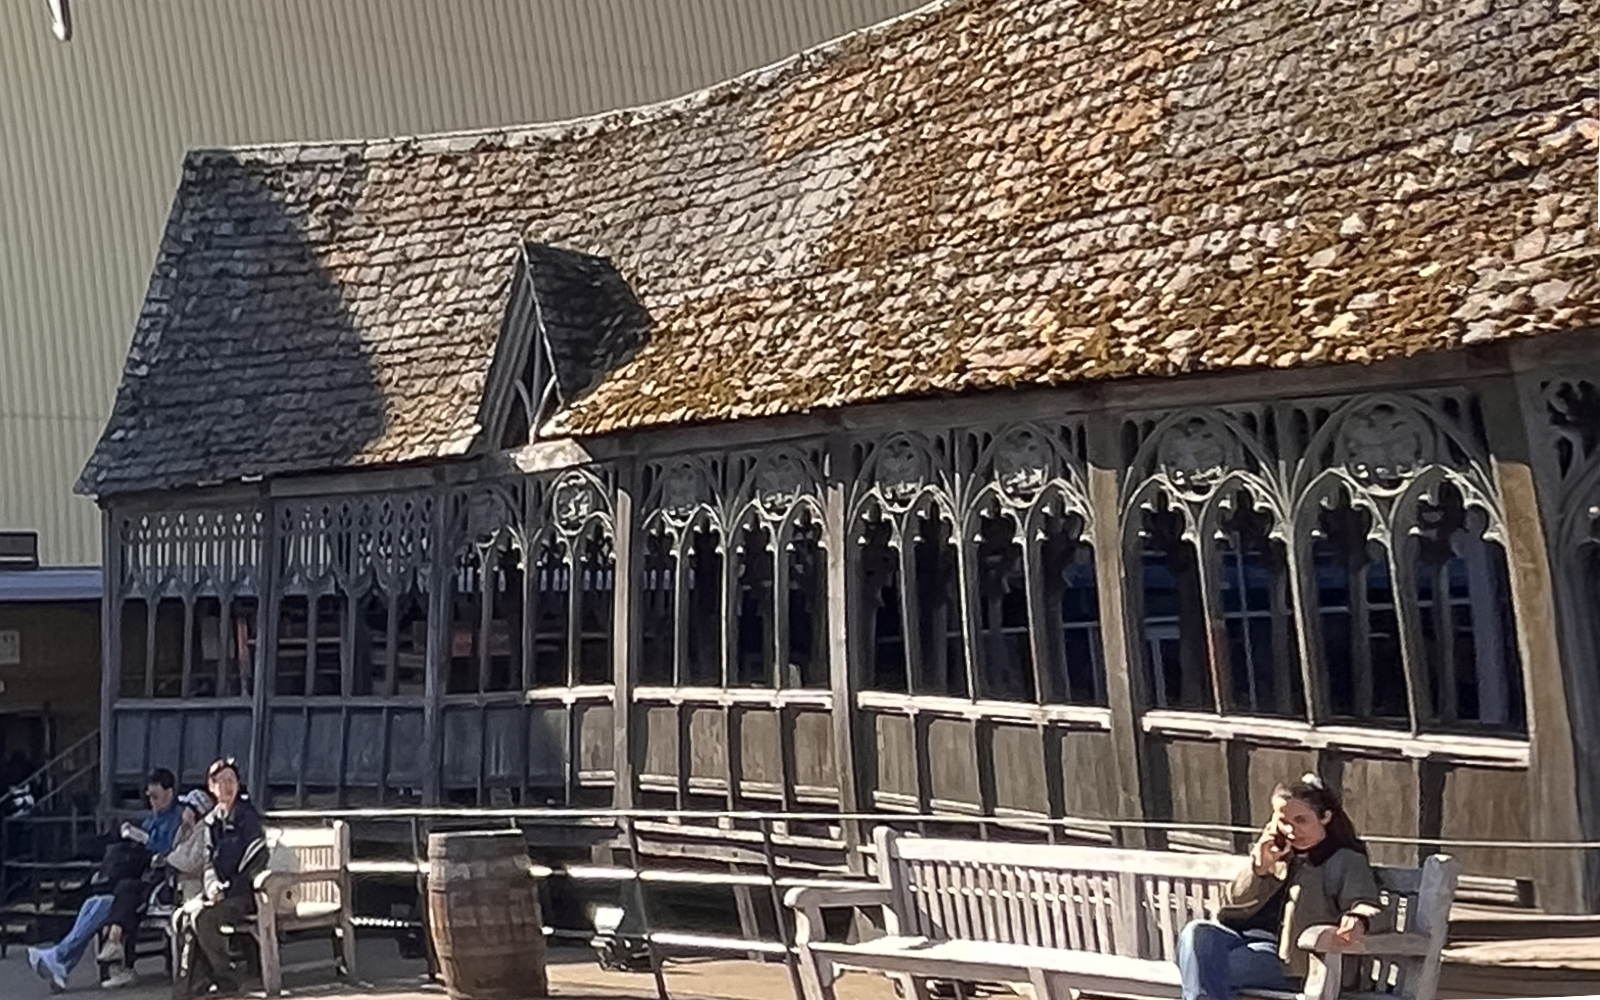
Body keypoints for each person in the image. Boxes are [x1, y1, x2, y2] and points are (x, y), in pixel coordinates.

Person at [1176, 774, 1385, 1000]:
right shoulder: (1276, 853)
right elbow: (1226, 909)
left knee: (1209, 966)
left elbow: (1367, 903)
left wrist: (1358, 918)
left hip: (1294, 960)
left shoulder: (1345, 860)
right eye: (1284, 822)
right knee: (1196, 933)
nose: (1292, 831)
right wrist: (1258, 870)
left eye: (1301, 820)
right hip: (1245, 941)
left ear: (1325, 817)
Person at [27, 768, 182, 992]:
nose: (152, 802)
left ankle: (60, 958)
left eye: (156, 796)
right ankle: (61, 963)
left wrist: (143, 839)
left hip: (148, 885)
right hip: (131, 880)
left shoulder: (176, 818)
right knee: (92, 903)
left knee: (100, 905)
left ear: (169, 792)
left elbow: (169, 851)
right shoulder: (153, 819)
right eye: (149, 797)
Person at [99, 789, 214, 990]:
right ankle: (118, 950)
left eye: (187, 808)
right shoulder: (184, 830)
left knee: (130, 894)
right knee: (128, 894)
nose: (183, 811)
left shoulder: (204, 832)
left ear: (196, 811)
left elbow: (190, 862)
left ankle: (117, 949)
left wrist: (167, 857)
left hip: (183, 884)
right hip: (166, 877)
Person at [173, 759, 266, 999]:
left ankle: (224, 977)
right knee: (187, 917)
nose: (226, 786)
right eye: (220, 782)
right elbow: (208, 862)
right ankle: (194, 984)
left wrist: (228, 889)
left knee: (203, 917)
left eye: (231, 781)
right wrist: (212, 885)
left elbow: (254, 858)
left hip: (245, 894)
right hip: (218, 894)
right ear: (211, 787)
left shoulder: (248, 817)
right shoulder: (211, 821)